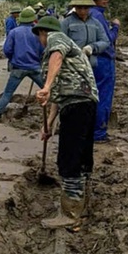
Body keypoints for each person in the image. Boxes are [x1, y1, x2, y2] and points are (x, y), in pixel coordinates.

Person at [34, 16, 99, 229]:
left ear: (43, 33)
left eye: (39, 36)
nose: (40, 40)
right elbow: (58, 97)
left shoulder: (56, 38)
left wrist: (46, 85)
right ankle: (83, 207)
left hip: (77, 104)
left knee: (69, 160)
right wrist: (49, 124)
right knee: (81, 157)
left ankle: (71, 215)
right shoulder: (66, 49)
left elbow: (57, 57)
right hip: (83, 103)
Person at [0, 7, 43, 120]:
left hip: (18, 67)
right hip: (35, 67)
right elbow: (43, 49)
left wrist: (13, 58)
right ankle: (58, 109)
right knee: (47, 89)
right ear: (33, 19)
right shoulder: (38, 32)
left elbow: (7, 50)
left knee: (8, 92)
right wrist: (38, 59)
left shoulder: (14, 32)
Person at [89, 0, 121, 143]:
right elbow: (108, 40)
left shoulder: (87, 14)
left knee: (91, 95)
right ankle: (99, 133)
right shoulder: (98, 16)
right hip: (103, 59)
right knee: (104, 95)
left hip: (90, 59)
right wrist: (116, 27)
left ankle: (90, 129)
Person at [60, 0, 110, 69]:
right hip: (72, 66)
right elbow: (60, 42)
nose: (82, 11)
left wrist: (92, 47)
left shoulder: (95, 23)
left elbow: (105, 41)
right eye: (79, 8)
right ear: (74, 7)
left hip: (91, 65)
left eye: (85, 8)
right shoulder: (66, 23)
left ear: (90, 7)